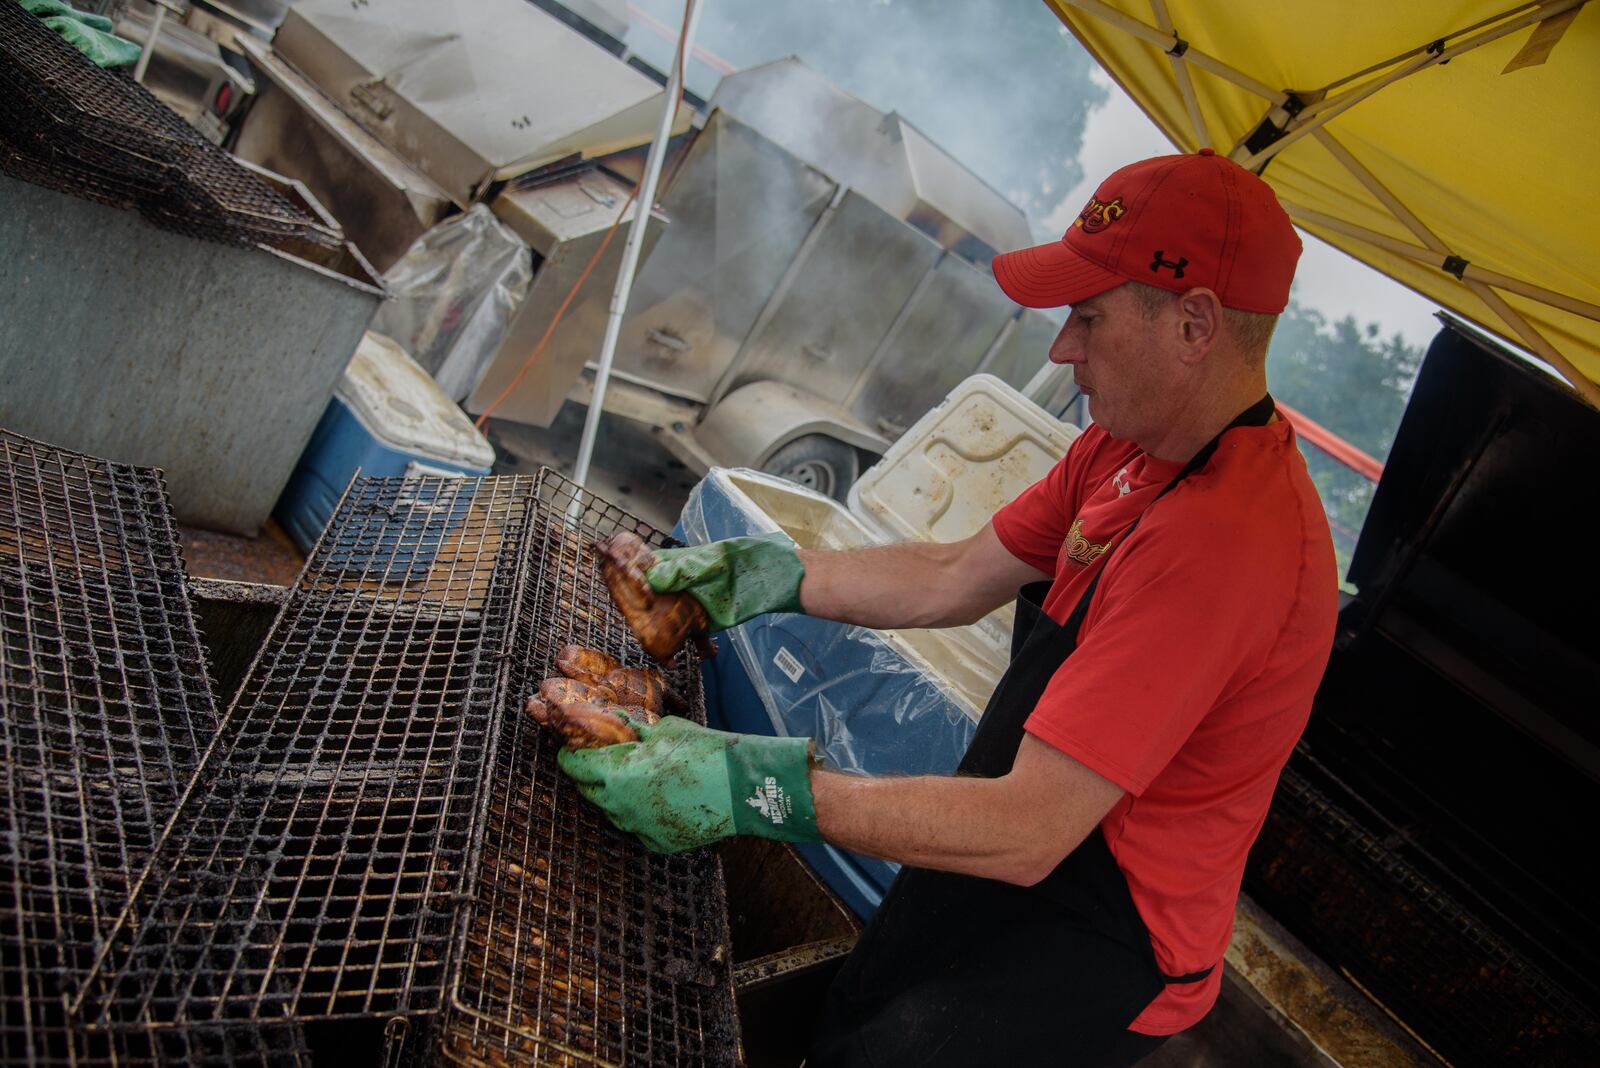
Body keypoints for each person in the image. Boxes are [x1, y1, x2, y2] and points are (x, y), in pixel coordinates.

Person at [559, 150, 1338, 1066]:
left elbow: (1029, 829)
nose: (1062, 349)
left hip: (1103, 924)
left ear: (1195, 324)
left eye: (1087, 318)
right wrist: (753, 580)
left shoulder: (1226, 547)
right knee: (848, 1022)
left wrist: (744, 785)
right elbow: (952, 573)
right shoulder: (1127, 450)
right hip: (1012, 834)